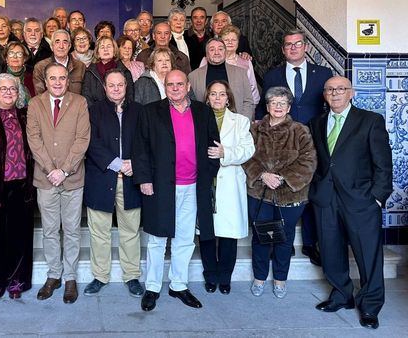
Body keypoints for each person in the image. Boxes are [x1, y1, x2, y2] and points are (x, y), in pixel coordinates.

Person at [309, 76, 392, 330]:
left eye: (340, 89)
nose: (335, 94)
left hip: (361, 200)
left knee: (368, 257)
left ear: (351, 93)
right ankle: (341, 295)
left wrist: (378, 197)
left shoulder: (370, 120)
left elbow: (383, 163)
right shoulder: (316, 122)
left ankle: (370, 306)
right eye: (330, 90)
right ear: (324, 95)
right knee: (331, 251)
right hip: (326, 198)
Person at [133, 70, 220, 312]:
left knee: (184, 239)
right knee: (157, 239)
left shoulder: (203, 111)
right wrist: (144, 180)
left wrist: (208, 174)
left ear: (188, 86)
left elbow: (214, 146)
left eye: (179, 84)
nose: (174, 88)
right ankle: (152, 287)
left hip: (193, 186)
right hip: (160, 187)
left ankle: (179, 285)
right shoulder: (150, 111)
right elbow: (140, 148)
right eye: (170, 84)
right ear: (164, 86)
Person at [258, 29, 333, 267]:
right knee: (281, 191)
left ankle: (310, 243)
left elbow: (328, 107)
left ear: (306, 47)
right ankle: (283, 243)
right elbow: (264, 108)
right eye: (288, 44)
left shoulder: (323, 73)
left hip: (314, 140)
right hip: (280, 142)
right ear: (283, 49)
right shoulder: (272, 76)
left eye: (297, 44)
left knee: (308, 191)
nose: (293, 48)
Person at [242, 86, 317, 299]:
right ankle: (259, 277)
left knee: (284, 239)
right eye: (274, 102)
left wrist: (282, 177)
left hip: (291, 196)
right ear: (267, 106)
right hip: (260, 194)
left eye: (282, 103)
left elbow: (309, 161)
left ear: (289, 107)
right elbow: (245, 156)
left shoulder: (300, 131)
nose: (278, 107)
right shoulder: (254, 130)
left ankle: (280, 280)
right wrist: (262, 175)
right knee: (261, 237)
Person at [26, 63, 90, 304]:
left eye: (62, 78)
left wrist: (64, 170)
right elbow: (34, 139)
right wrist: (51, 170)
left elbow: (82, 139)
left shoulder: (80, 102)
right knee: (51, 230)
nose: (58, 82)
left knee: (72, 230)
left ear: (67, 80)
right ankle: (53, 275)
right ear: (45, 79)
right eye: (53, 78)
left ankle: (70, 278)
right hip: (45, 178)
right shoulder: (35, 104)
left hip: (72, 177)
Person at [84, 69, 144, 298]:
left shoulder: (139, 111)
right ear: (105, 88)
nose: (116, 88)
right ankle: (100, 276)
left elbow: (144, 142)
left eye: (120, 85)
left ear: (126, 87)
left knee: (130, 231)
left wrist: (134, 164)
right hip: (101, 179)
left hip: (131, 181)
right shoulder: (93, 112)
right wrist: (117, 163)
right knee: (100, 232)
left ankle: (132, 276)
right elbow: (91, 143)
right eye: (112, 85)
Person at [0, 74, 35, 299]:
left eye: (13, 89)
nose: (9, 92)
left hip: (22, 186)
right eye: (3, 89)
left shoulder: (26, 116)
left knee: (20, 237)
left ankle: (17, 282)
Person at [200, 81, 255, 295]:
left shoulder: (240, 121)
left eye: (221, 94)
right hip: (206, 182)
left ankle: (225, 277)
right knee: (206, 232)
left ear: (228, 98)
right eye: (213, 94)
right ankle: (210, 275)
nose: (217, 98)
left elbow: (248, 149)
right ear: (207, 98)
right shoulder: (199, 118)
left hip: (230, 181)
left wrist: (226, 153)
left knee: (228, 235)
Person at [188, 38, 254, 119]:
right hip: (204, 126)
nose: (216, 52)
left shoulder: (241, 73)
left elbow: (248, 101)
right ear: (206, 54)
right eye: (212, 49)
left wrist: (243, 123)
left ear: (225, 52)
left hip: (236, 126)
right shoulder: (193, 76)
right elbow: (190, 105)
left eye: (220, 49)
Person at [82, 36, 134, 106]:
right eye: (102, 47)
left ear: (114, 50)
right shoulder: (90, 72)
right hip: (96, 114)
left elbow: (129, 98)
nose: (105, 49)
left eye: (109, 46)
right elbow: (87, 98)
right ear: (97, 52)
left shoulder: (125, 72)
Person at [33, 29, 86, 95]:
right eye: (57, 42)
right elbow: (40, 98)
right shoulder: (40, 67)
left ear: (69, 46)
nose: (61, 46)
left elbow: (84, 97)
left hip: (76, 105)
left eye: (65, 42)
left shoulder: (80, 67)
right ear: (51, 46)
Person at [218, 26, 259, 105]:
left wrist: (252, 108)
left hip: (241, 108)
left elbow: (252, 87)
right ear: (221, 42)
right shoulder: (213, 60)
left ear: (238, 42)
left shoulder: (246, 62)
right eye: (226, 40)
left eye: (233, 40)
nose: (230, 42)